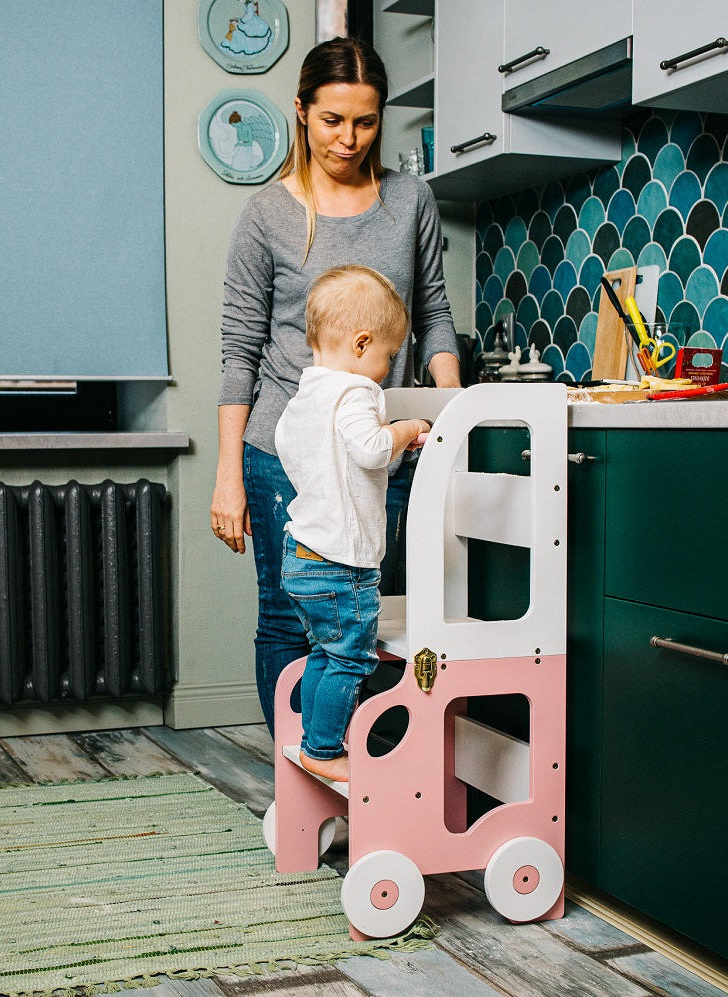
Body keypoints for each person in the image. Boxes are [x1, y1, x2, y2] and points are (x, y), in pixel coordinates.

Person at [211, 36, 461, 736]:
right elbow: (239, 352)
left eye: (366, 121)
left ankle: (366, 782)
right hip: (283, 455)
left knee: (370, 614)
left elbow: (434, 314)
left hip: (389, 447)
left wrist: (451, 408)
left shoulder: (410, 200)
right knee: (288, 613)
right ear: (300, 113)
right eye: (332, 121)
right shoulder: (267, 214)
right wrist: (229, 476)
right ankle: (302, 784)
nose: (349, 139)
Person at [276, 265, 430, 782]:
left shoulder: (305, 396)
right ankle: (323, 750)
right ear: (362, 344)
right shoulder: (355, 392)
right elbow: (369, 448)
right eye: (388, 356)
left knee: (325, 651)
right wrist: (406, 428)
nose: (387, 368)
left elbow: (320, 455)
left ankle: (313, 742)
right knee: (352, 659)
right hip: (341, 564)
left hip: (301, 555)